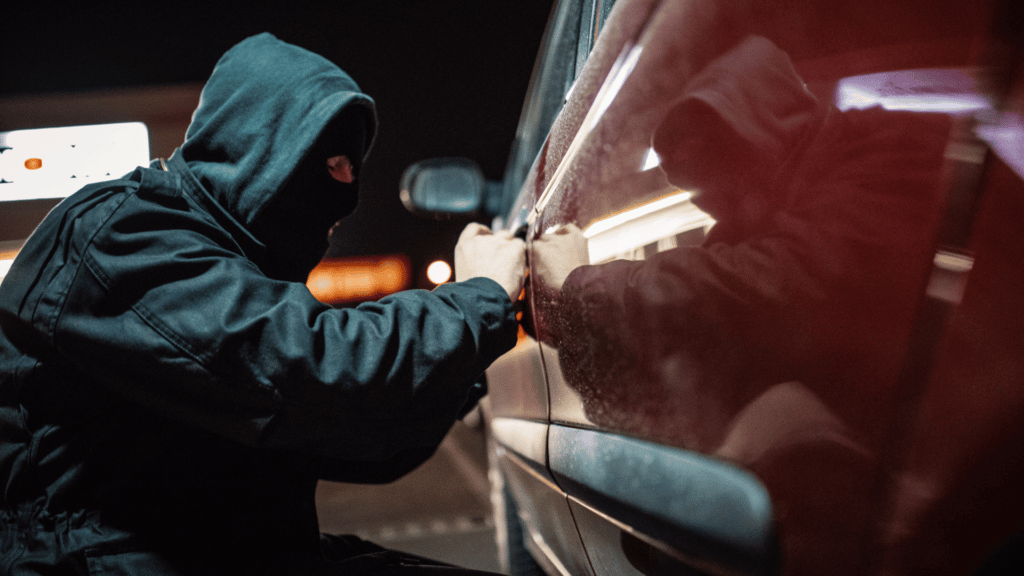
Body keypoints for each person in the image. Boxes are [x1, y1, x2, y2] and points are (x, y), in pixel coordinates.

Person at [0, 33, 524, 575]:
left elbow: (359, 438)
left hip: (220, 550)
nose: (346, 189)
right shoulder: (123, 234)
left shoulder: (224, 266)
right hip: (93, 561)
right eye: (334, 160)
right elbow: (308, 366)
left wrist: (465, 374)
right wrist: (480, 296)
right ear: (258, 143)